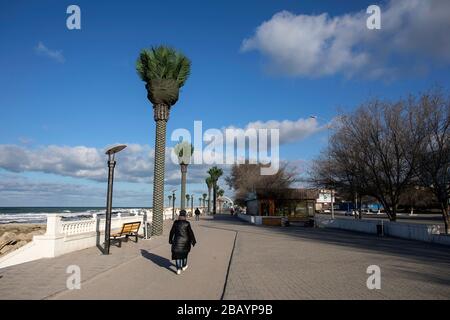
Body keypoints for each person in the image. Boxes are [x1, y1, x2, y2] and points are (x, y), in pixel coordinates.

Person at [169, 210, 197, 275]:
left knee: (177, 256)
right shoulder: (187, 223)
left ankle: (178, 269)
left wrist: (170, 240)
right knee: (184, 255)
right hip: (186, 242)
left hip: (177, 241)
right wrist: (193, 241)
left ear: (179, 215)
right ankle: (184, 266)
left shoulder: (175, 223)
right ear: (185, 215)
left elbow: (172, 232)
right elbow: (190, 233)